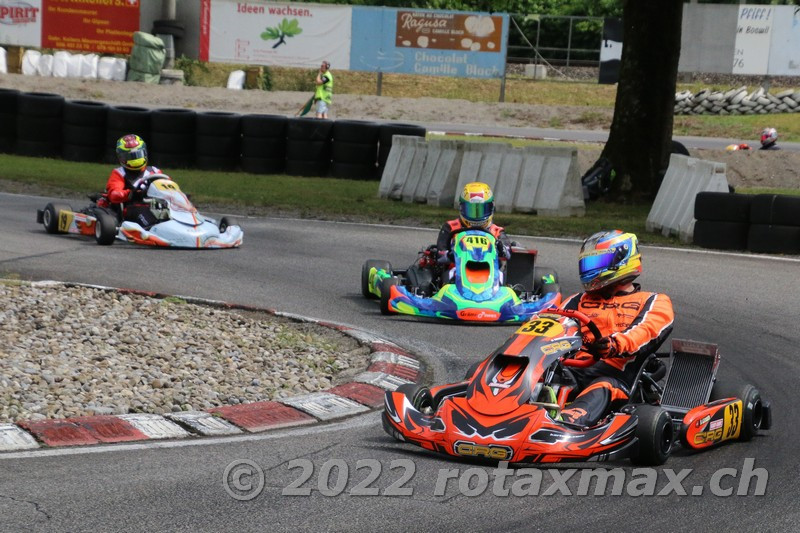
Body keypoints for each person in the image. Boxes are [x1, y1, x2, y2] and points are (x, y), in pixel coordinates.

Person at [558, 230, 674, 427]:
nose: (589, 269)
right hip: (572, 369)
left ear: (622, 261)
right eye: (587, 264)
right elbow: (549, 325)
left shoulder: (653, 300)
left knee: (602, 387)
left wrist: (614, 344)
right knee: (537, 377)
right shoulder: (578, 300)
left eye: (595, 263)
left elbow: (645, 331)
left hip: (615, 376)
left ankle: (565, 424)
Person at [100, 134, 167, 228]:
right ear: (121, 157)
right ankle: (155, 229)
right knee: (152, 221)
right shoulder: (119, 173)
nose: (135, 159)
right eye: (130, 156)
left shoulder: (155, 171)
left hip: (157, 207)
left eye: (138, 154)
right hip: (134, 208)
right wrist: (131, 193)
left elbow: (168, 188)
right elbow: (114, 194)